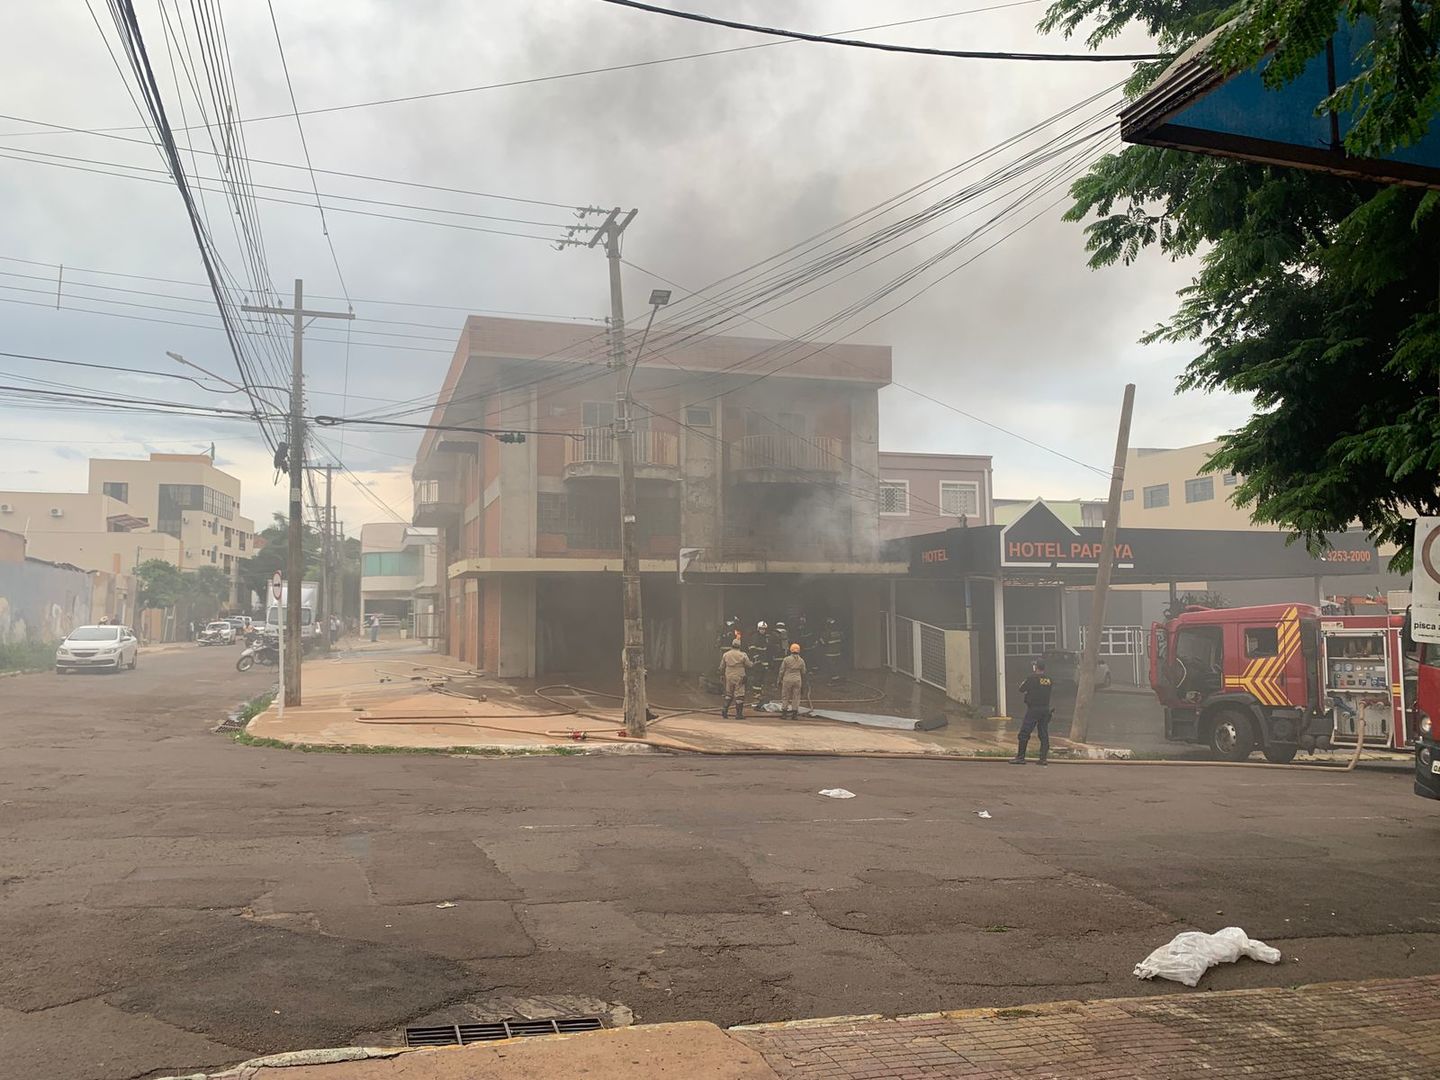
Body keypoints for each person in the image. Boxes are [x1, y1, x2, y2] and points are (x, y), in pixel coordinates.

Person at [1010, 659, 1054, 766]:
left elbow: (1021, 688)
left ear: (1036, 667)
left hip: (1034, 709)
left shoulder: (1031, 678)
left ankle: (1020, 757)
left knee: (1024, 733)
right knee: (1043, 734)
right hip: (1045, 709)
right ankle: (1043, 759)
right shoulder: (1049, 679)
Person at [719, 640, 754, 719]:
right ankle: (738, 715)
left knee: (729, 693)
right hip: (739, 675)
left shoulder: (726, 654)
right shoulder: (743, 655)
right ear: (739, 646)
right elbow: (749, 665)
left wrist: (722, 674)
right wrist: (753, 663)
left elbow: (721, 666)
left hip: (729, 674)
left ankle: (725, 709)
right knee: (739, 695)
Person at [778, 642, 808, 720]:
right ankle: (794, 714)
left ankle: (784, 713)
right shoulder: (801, 660)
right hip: (797, 680)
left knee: (785, 696)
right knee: (796, 697)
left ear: (790, 650)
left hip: (787, 679)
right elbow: (804, 672)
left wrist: (779, 679)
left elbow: (781, 670)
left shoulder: (786, 659)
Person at [748, 621, 773, 705]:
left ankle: (760, 692)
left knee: (763, 678)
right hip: (758, 661)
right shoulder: (755, 637)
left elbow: (767, 649)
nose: (763, 630)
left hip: (764, 661)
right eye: (761, 629)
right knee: (757, 678)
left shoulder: (766, 637)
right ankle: (756, 693)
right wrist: (756, 658)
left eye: (764, 629)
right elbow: (752, 648)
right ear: (758, 629)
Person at [822, 617, 844, 683]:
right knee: (837, 664)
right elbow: (842, 639)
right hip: (838, 651)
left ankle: (834, 679)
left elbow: (823, 642)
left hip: (830, 652)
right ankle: (837, 677)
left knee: (831, 666)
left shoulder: (827, 632)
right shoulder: (839, 632)